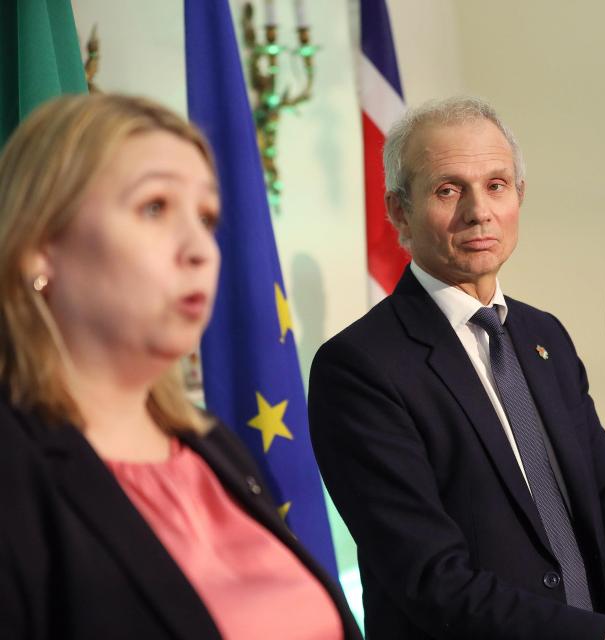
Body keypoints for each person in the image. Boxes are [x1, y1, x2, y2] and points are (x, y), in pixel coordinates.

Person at [309, 96, 605, 640]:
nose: (477, 210)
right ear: (398, 211)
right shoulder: (360, 367)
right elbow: (432, 578)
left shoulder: (543, 335)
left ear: (519, 196)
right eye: (447, 189)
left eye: (496, 185)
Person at [0, 94, 361, 640]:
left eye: (207, 217)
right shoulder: (14, 464)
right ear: (39, 247)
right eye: (154, 207)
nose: (201, 249)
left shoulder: (213, 445)